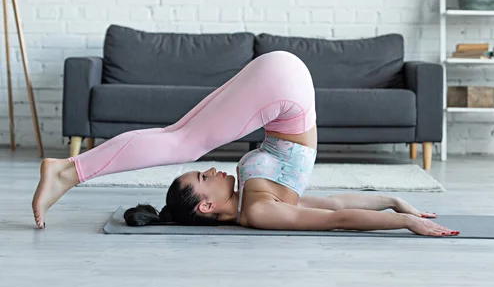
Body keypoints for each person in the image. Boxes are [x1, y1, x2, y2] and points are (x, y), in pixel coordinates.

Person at [32, 51, 459, 237]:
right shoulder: (259, 210)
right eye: (204, 178)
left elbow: (333, 213)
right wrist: (398, 210)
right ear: (205, 206)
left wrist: (398, 210)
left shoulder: (253, 200)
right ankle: (68, 171)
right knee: (180, 139)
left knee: (180, 138)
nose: (215, 170)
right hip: (282, 88)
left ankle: (68, 170)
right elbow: (335, 213)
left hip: (283, 90)